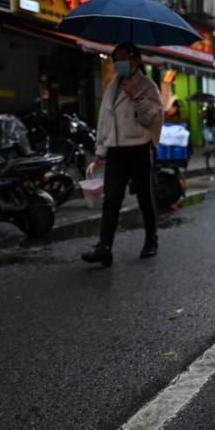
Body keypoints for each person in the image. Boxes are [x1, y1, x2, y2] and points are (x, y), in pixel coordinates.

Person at [81, 43, 164, 267]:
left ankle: (151, 239)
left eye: (122, 58)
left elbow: (154, 118)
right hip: (116, 150)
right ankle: (104, 247)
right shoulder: (113, 86)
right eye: (115, 59)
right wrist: (101, 149)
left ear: (135, 59)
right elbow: (104, 119)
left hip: (139, 147)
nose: (118, 63)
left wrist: (137, 96)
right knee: (111, 199)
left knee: (145, 196)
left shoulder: (148, 86)